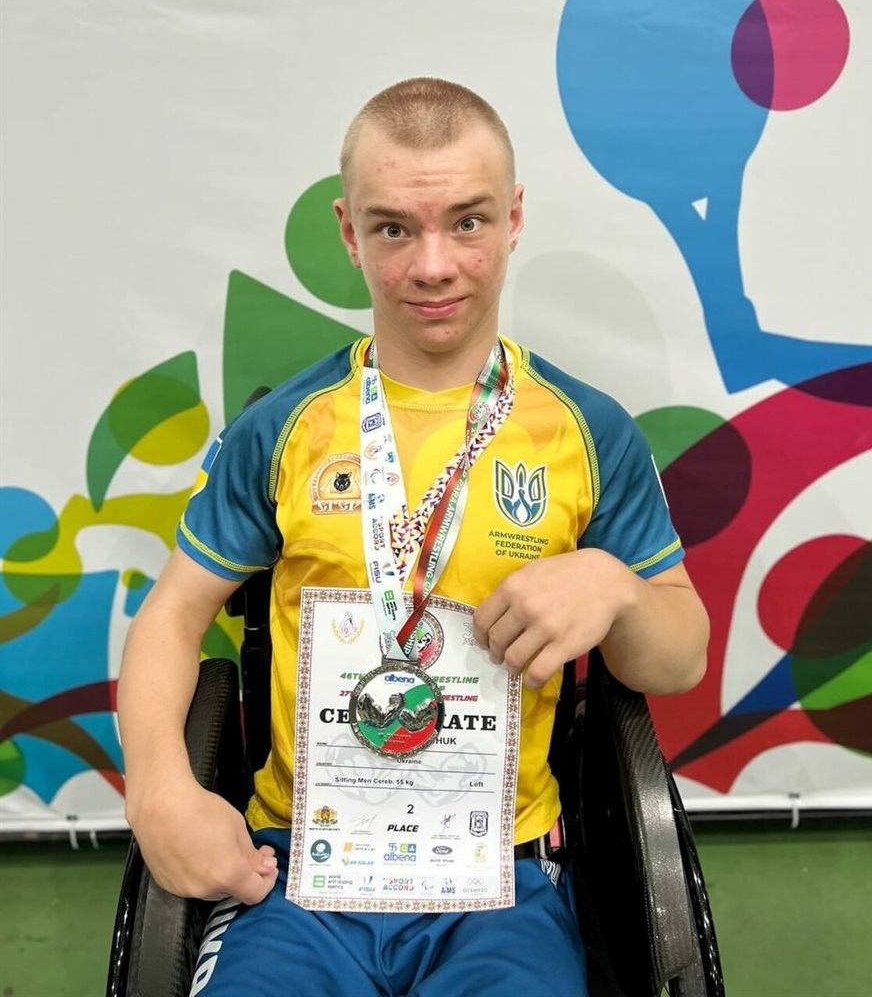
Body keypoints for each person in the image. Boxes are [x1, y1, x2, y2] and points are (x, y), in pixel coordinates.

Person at [118, 77, 709, 997]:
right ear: (349, 233)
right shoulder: (283, 430)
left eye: (467, 222)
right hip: (298, 872)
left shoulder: (588, 431)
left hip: (502, 879)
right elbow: (170, 617)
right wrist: (159, 791)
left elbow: (678, 660)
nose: (433, 266)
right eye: (394, 228)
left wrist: (619, 588)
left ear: (514, 219)